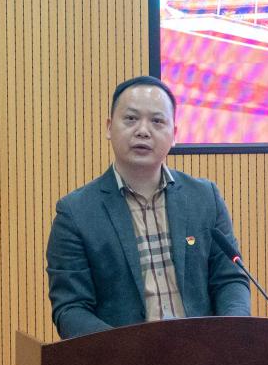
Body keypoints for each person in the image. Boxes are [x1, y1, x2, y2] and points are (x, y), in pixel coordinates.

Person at [45, 75, 251, 338]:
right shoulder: (76, 213)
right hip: (122, 358)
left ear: (174, 135)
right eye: (131, 119)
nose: (143, 130)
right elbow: (71, 309)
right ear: (109, 127)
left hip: (203, 353)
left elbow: (230, 279)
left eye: (157, 121)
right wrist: (126, 351)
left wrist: (231, 334)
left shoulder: (204, 198)